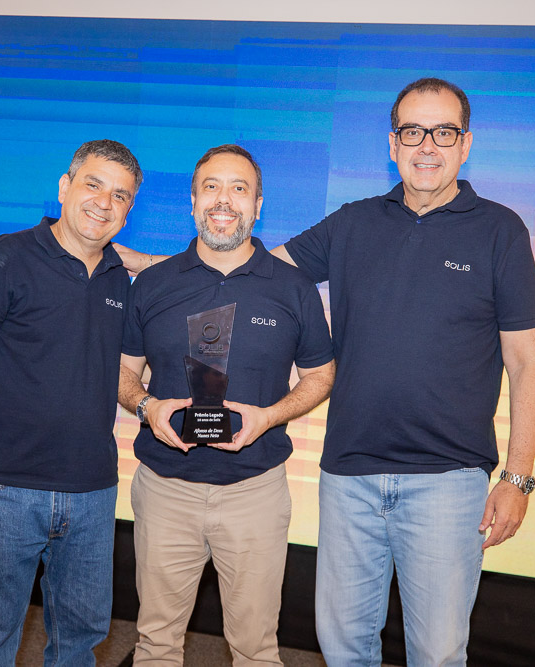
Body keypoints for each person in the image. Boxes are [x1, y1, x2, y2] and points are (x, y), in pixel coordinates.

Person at [118, 78, 535, 666]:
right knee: (343, 648)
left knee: (438, 654)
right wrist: (150, 268)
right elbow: (244, 265)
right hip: (350, 478)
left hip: (447, 481)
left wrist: (517, 478)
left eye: (443, 132)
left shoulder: (500, 231)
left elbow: (526, 360)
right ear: (392, 144)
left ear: (465, 143)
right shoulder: (352, 223)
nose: (427, 146)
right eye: (412, 132)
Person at [117, 144, 335, 665]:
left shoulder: (294, 288)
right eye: (211, 187)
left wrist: (270, 416)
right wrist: (146, 406)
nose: (224, 200)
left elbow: (321, 375)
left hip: (255, 493)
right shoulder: (153, 284)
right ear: (192, 201)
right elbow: (123, 372)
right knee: (155, 644)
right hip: (165, 489)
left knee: (257, 649)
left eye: (239, 189)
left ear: (258, 206)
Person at [0, 139, 141, 666]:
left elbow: (119, 366)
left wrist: (148, 404)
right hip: (4, 490)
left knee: (81, 640)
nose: (104, 202)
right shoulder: (10, 256)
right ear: (64, 186)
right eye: (93, 185)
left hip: (93, 491)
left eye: (120, 196)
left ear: (129, 210)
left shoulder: (121, 277)